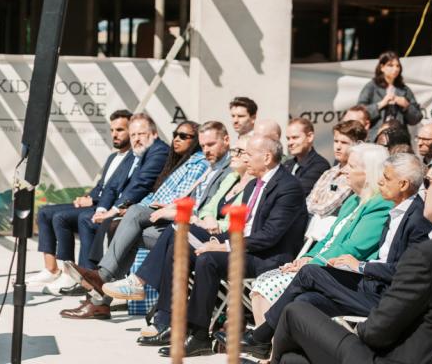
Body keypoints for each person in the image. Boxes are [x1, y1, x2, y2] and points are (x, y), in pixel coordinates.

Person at [234, 152, 432, 360]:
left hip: (384, 297)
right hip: (370, 285)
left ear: (403, 184)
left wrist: (360, 266)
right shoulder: (396, 210)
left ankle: (260, 337)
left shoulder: (417, 219)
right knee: (302, 302)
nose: (380, 181)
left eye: (386, 177)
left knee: (309, 272)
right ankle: (282, 356)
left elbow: (405, 272)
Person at [127, 136, 307, 357]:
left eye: (249, 154)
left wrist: (226, 246)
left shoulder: (288, 187)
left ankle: (199, 335)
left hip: (267, 256)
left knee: (208, 259)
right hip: (245, 245)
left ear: (267, 157)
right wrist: (221, 241)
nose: (244, 159)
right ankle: (169, 321)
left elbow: (269, 236)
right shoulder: (253, 184)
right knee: (180, 243)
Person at [61, 120, 207, 319]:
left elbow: (177, 199)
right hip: (160, 220)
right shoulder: (179, 162)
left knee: (129, 220)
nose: (176, 139)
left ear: (196, 140)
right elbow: (153, 194)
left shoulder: (198, 162)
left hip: (175, 222)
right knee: (126, 226)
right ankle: (100, 301)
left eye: (184, 136)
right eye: (175, 134)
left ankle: (100, 281)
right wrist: (127, 209)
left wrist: (133, 209)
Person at [247, 143, 391, 330]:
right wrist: (306, 257)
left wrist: (312, 262)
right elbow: (328, 239)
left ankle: (267, 342)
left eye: (351, 166)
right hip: (320, 265)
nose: (344, 170)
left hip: (344, 275)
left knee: (271, 287)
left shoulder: (381, 204)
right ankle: (265, 343)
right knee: (263, 282)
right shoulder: (353, 200)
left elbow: (353, 248)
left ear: (369, 173)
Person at [100, 133, 253, 306]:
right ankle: (114, 285)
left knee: (171, 232)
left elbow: (241, 223)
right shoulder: (232, 178)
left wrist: (198, 219)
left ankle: (124, 284)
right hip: (203, 228)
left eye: (239, 151)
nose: (234, 155)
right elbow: (209, 207)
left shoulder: (250, 185)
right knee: (132, 224)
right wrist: (207, 217)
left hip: (220, 239)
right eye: (234, 150)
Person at [31, 110, 133, 287]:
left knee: (60, 217)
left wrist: (93, 201)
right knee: (44, 212)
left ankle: (70, 273)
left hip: (105, 208)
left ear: (132, 131)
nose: (114, 135)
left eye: (120, 130)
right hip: (95, 203)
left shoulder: (133, 158)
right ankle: (51, 270)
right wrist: (86, 197)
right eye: (112, 130)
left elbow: (120, 191)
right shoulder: (112, 157)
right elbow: (101, 186)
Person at [305, 120, 367, 242]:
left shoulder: (354, 175)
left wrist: (314, 208)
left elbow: (327, 208)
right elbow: (308, 202)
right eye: (336, 141)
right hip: (310, 232)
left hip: (329, 238)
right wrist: (313, 208)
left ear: (357, 145)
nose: (338, 147)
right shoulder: (328, 172)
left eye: (344, 143)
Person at [357, 50, 422, 139]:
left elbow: (416, 118)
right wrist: (380, 104)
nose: (395, 69)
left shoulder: (404, 89)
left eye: (397, 66)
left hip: (399, 138)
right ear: (382, 67)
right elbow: (359, 113)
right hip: (375, 138)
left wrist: (407, 106)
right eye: (390, 65)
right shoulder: (371, 86)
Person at [283, 118, 331, 194]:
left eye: (295, 137)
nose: (290, 143)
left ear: (310, 137)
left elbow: (296, 193)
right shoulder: (287, 164)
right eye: (288, 139)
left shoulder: (320, 165)